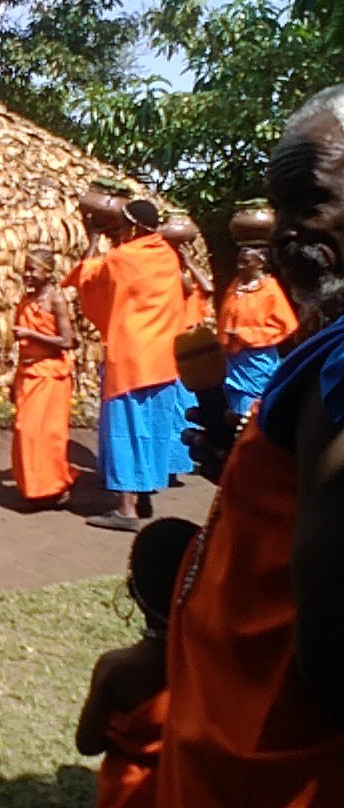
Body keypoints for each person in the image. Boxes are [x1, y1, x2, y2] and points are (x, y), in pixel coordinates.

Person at [159, 85, 344, 807]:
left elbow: (331, 649)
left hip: (277, 764)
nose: (289, 234)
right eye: (281, 210)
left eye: (314, 202)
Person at [64, 199, 185, 531]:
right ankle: (143, 496)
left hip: (131, 357)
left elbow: (88, 279)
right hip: (163, 358)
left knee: (126, 430)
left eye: (121, 227)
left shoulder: (123, 258)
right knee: (152, 428)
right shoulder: (169, 256)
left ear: (133, 228)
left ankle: (126, 509)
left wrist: (92, 240)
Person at [76, 518, 196, 808]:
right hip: (194, 789)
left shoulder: (118, 668)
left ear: (132, 591)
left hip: (130, 795)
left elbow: (88, 744)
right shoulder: (217, 663)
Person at [10, 248, 78, 509]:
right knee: (24, 431)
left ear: (48, 273)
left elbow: (67, 341)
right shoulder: (26, 300)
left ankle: (55, 487)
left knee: (45, 434)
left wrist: (32, 334)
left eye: (33, 269)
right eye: (26, 269)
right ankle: (35, 488)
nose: (27, 274)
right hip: (28, 374)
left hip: (50, 375)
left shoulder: (56, 301)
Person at [218, 245, 299, 415]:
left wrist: (245, 334)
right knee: (238, 408)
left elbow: (286, 326)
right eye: (239, 262)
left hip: (259, 361)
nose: (240, 267)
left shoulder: (270, 289)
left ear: (260, 263)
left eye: (246, 262)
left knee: (258, 407)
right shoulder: (235, 286)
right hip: (235, 361)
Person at [168, 244, 215, 485]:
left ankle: (179, 463)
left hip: (188, 347)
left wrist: (186, 264)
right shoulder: (166, 284)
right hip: (171, 344)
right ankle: (170, 466)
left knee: (183, 407)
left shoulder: (189, 284)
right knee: (173, 408)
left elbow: (208, 287)